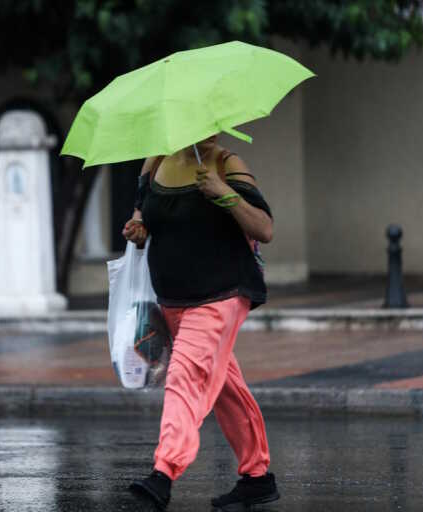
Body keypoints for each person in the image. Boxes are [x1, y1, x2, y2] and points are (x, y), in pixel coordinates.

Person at [123, 134, 279, 511]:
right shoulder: (155, 162)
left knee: (185, 375)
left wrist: (223, 193)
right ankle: (258, 477)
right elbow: (143, 214)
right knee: (225, 386)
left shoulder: (227, 164)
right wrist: (138, 229)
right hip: (173, 300)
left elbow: (264, 229)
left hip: (221, 294)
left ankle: (164, 471)